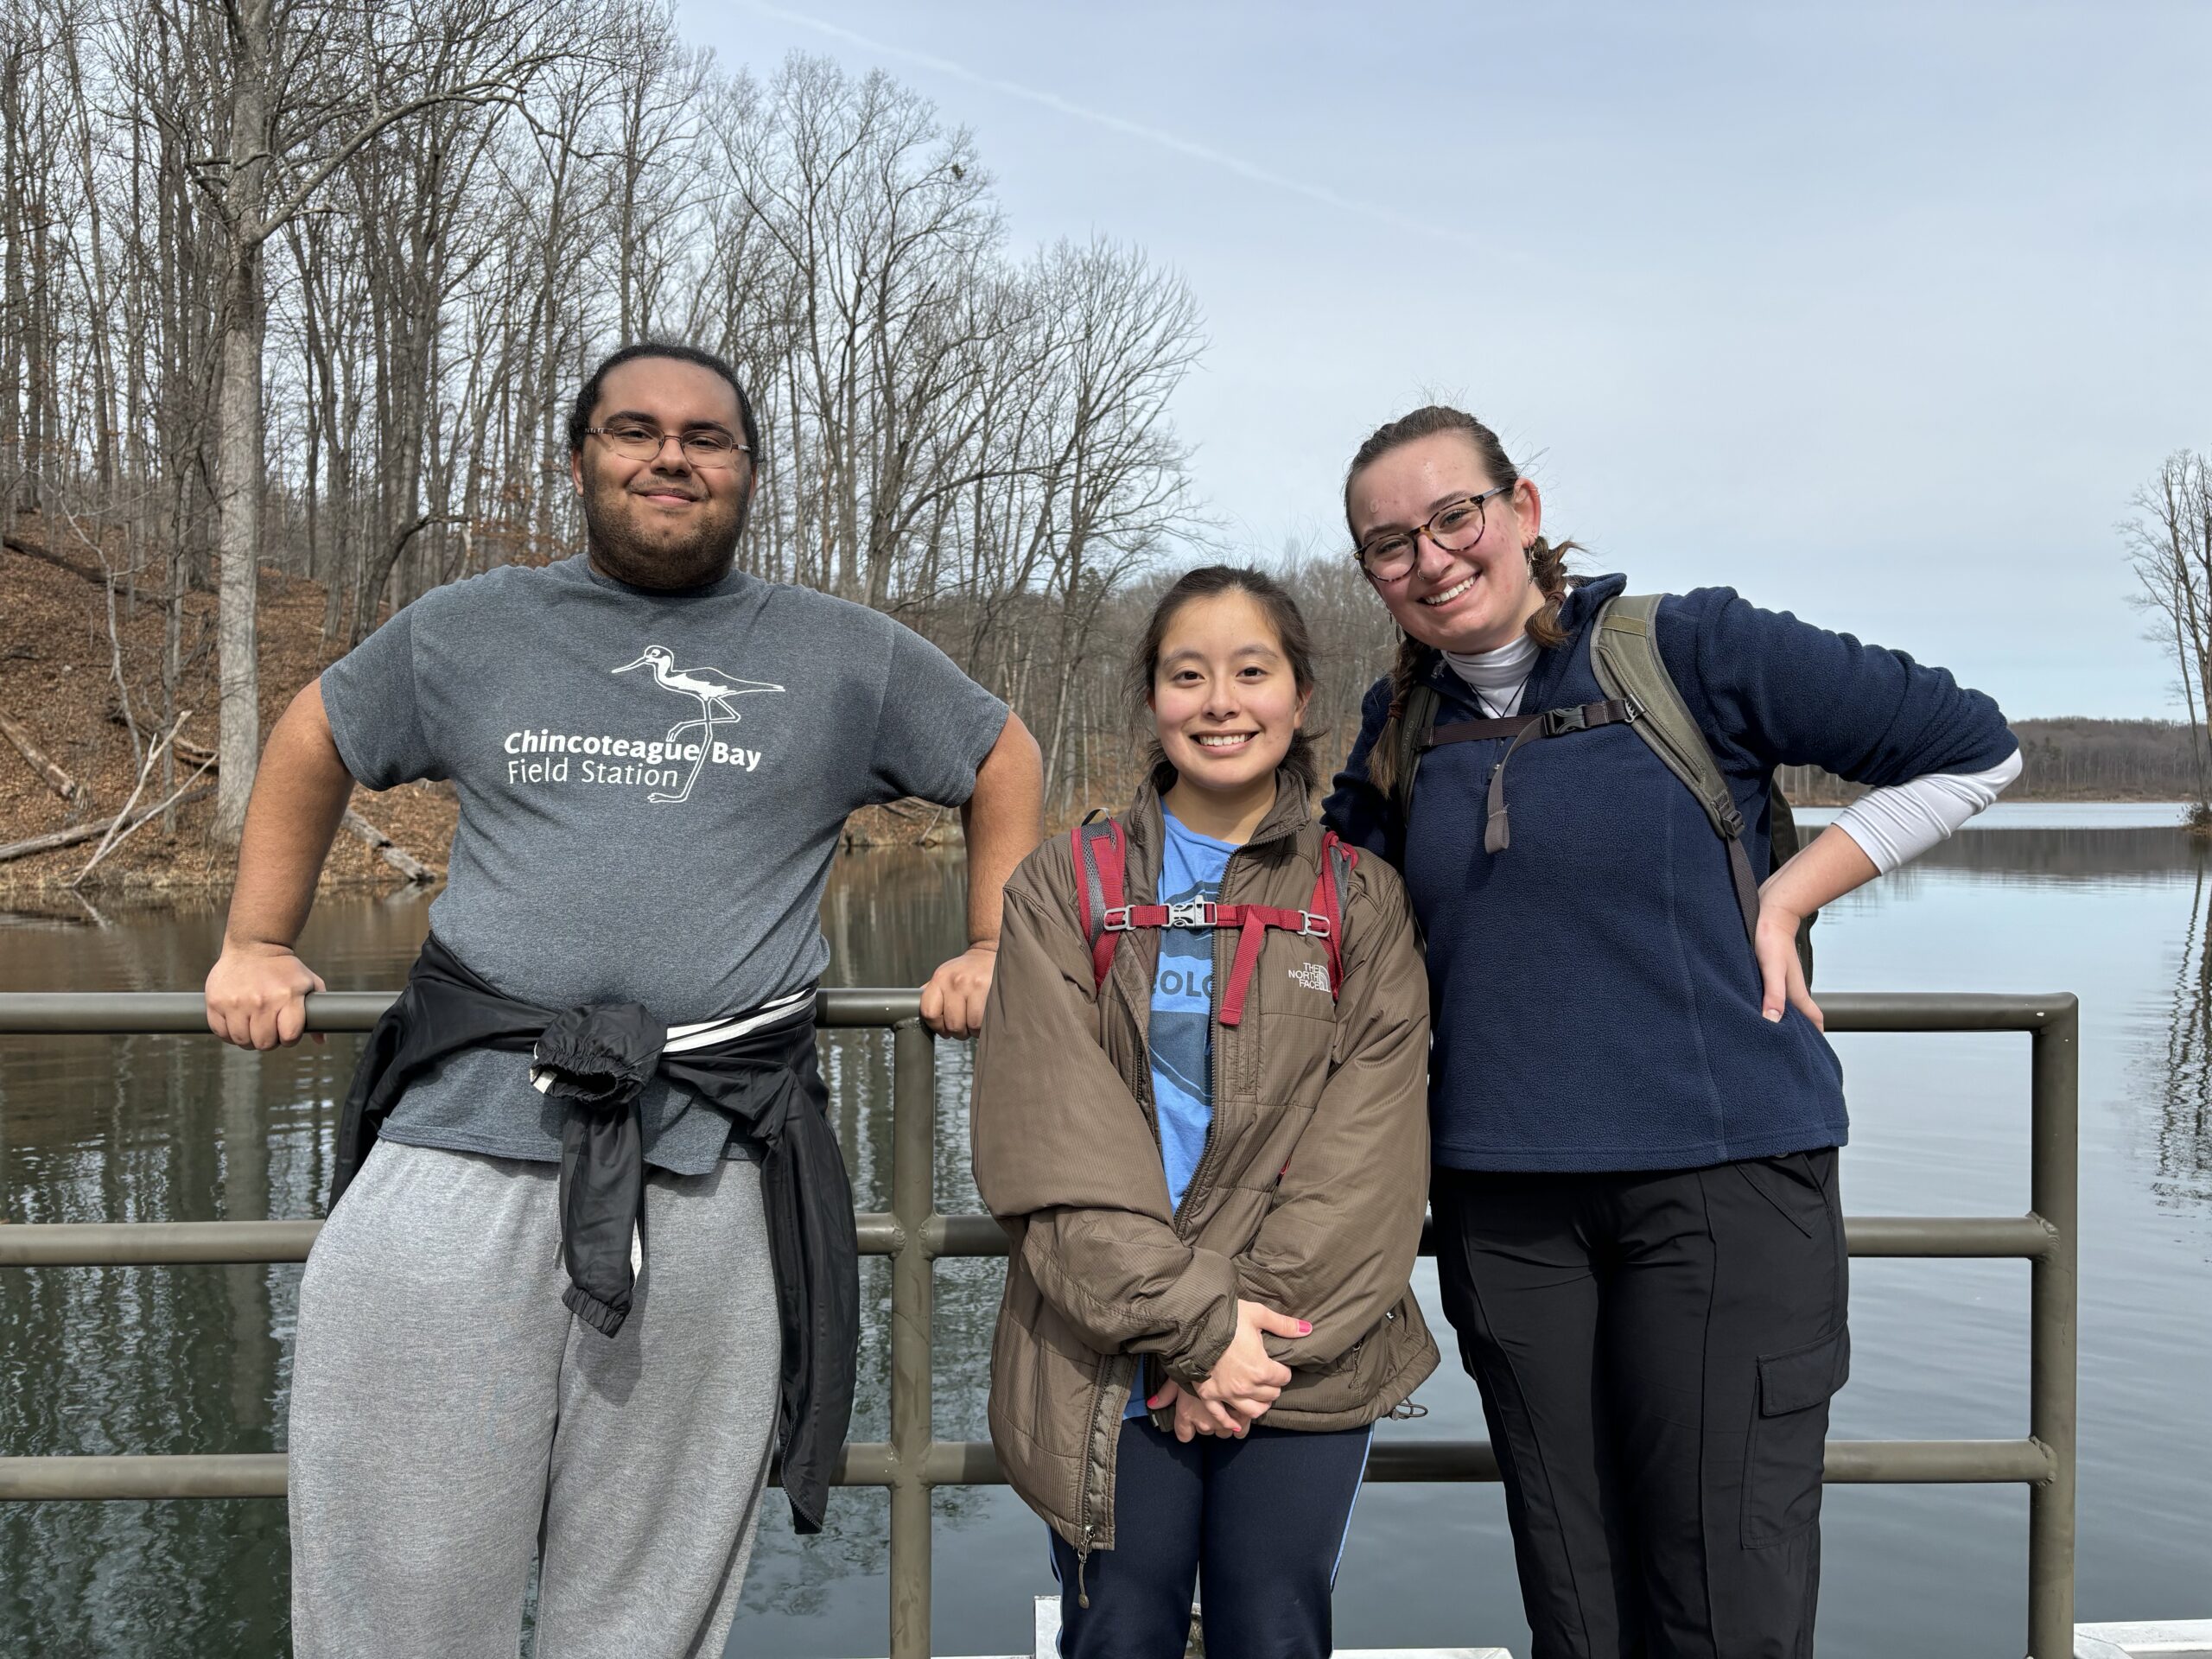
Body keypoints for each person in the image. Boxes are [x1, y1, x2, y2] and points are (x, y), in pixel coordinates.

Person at [203, 341, 1043, 1659]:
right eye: (635, 429)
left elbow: (1001, 749)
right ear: (582, 454)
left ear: (749, 473)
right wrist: (257, 936)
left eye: (707, 438)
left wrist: (993, 939)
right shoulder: (476, 625)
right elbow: (317, 731)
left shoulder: (836, 655)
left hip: (711, 1175)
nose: (672, 457)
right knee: (398, 1599)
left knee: (644, 1615)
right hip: (453, 1159)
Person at [1322, 405, 2022, 1659]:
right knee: (1579, 1614)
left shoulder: (1687, 649)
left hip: (1725, 1193)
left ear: (1522, 511)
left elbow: (1974, 749)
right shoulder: (1400, 726)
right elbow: (1312, 916)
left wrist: (1792, 892)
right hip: (1508, 1212)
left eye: (1453, 518)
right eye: (1389, 544)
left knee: (1721, 1610)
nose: (1430, 559)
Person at [971, 564, 1439, 1658]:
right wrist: (1190, 1328)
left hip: (1292, 1345)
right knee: (1118, 1630)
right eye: (1188, 675)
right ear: (1151, 699)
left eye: (1250, 672)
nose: (1220, 702)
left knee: (1273, 1630)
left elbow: (1368, 1153)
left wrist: (1239, 1339)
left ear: (1301, 697)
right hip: (1104, 1340)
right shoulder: (1059, 887)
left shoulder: (1359, 901)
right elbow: (1052, 1144)